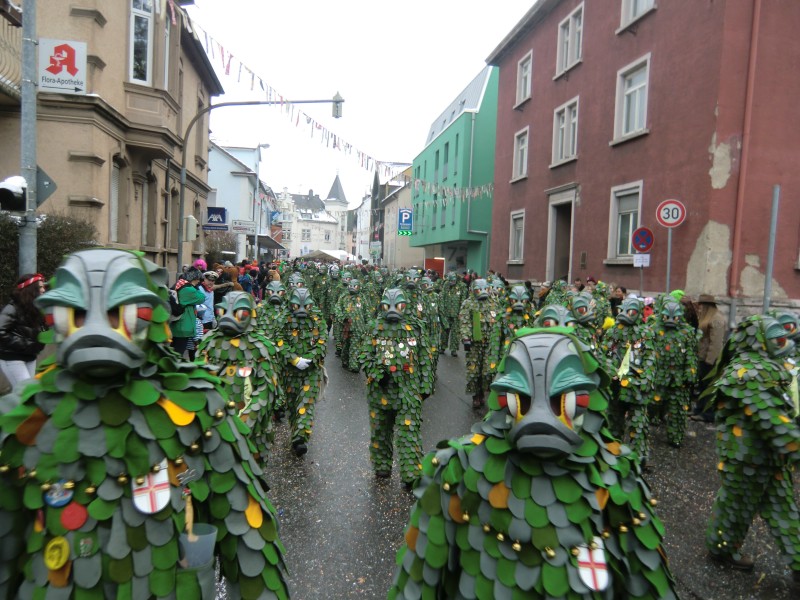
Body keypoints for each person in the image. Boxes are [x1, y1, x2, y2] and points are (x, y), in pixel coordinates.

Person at [0, 273, 47, 387]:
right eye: (40, 287)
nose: (44, 290)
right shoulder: (12, 308)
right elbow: (1, 332)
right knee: (25, 392)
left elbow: (42, 329)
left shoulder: (36, 307)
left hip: (30, 356)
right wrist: (27, 344)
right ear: (31, 290)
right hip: (12, 357)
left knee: (25, 394)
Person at [691, 294, 727, 422]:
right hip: (703, 359)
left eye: (701, 305)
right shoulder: (708, 318)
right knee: (702, 387)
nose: (699, 308)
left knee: (708, 388)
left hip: (710, 361)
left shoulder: (716, 319)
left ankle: (708, 414)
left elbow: (716, 343)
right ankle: (699, 410)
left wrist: (710, 361)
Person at [170, 267, 205, 358]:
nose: (199, 281)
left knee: (174, 351)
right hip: (183, 326)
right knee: (178, 354)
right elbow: (202, 298)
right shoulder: (188, 290)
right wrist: (195, 287)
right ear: (194, 278)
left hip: (177, 326)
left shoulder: (180, 285)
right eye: (198, 279)